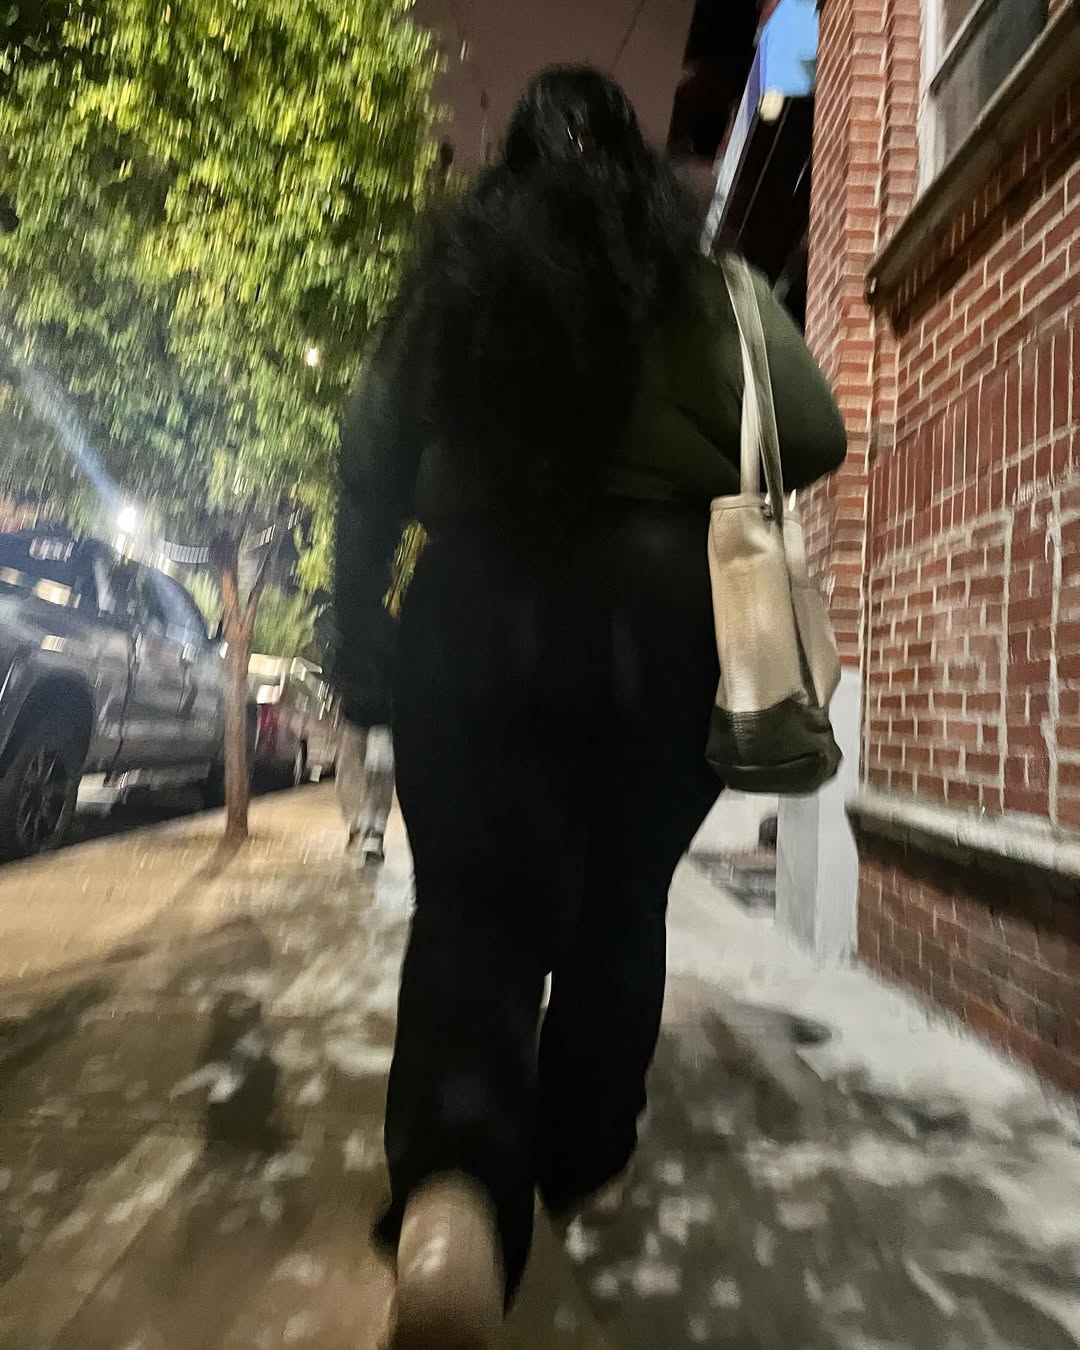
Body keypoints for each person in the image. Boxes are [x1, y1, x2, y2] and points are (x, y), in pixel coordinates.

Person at [335, 66, 846, 1349]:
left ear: (510, 167)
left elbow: (369, 466)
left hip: (480, 611)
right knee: (621, 908)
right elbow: (813, 428)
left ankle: (456, 1201)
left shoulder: (457, 286)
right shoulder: (708, 290)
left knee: (478, 915)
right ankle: (572, 1157)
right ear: (638, 173)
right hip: (668, 630)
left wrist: (360, 633)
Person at [336, 722, 395, 862]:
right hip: (364, 719)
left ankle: (370, 830)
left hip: (371, 720)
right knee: (369, 770)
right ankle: (367, 828)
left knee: (376, 770)